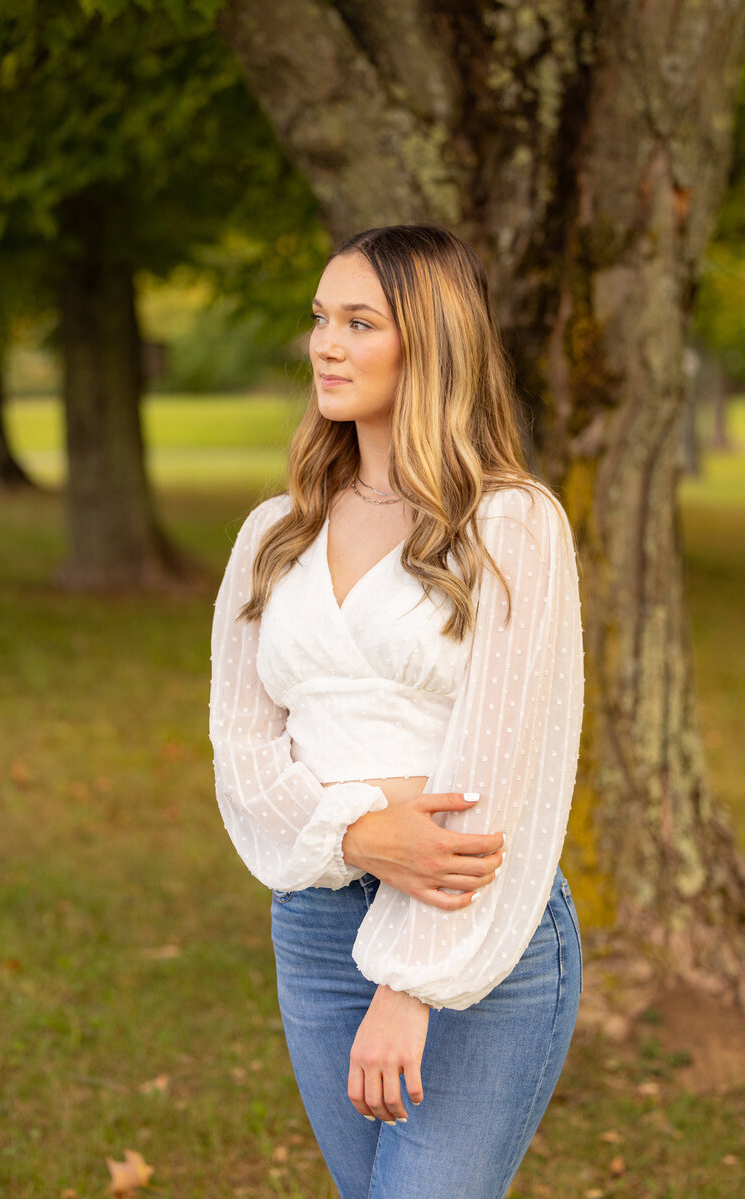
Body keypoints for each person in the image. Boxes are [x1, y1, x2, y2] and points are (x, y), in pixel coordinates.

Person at [209, 223, 584, 1199]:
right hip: (314, 926)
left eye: (358, 321)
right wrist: (360, 831)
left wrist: (412, 982)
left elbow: (502, 770)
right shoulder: (272, 536)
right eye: (319, 319)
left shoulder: (508, 523)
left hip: (475, 928)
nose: (323, 345)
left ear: (429, 341)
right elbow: (243, 755)